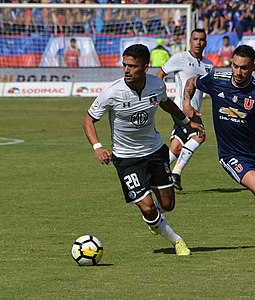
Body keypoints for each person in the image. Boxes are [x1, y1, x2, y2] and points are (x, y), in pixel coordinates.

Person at [83, 44, 204, 255]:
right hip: (126, 159)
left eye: (132, 66)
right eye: (124, 65)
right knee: (147, 206)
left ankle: (154, 220)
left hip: (155, 152)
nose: (126, 70)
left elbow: (166, 104)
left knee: (168, 205)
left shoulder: (156, 86)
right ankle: (177, 241)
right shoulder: (112, 92)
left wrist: (186, 122)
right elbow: (88, 120)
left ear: (145, 67)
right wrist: (98, 146)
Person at [182, 45, 255, 246]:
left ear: (254, 66)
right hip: (230, 155)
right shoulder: (217, 81)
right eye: (235, 66)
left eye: (244, 68)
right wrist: (186, 103)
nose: (238, 72)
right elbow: (191, 82)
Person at [156, 29, 214, 191]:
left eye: (201, 40)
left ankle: (156, 172)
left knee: (176, 146)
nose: (198, 42)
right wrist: (161, 95)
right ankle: (176, 173)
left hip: (195, 109)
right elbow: (160, 74)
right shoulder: (180, 58)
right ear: (190, 41)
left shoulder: (209, 65)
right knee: (199, 134)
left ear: (205, 43)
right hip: (181, 108)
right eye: (195, 39)